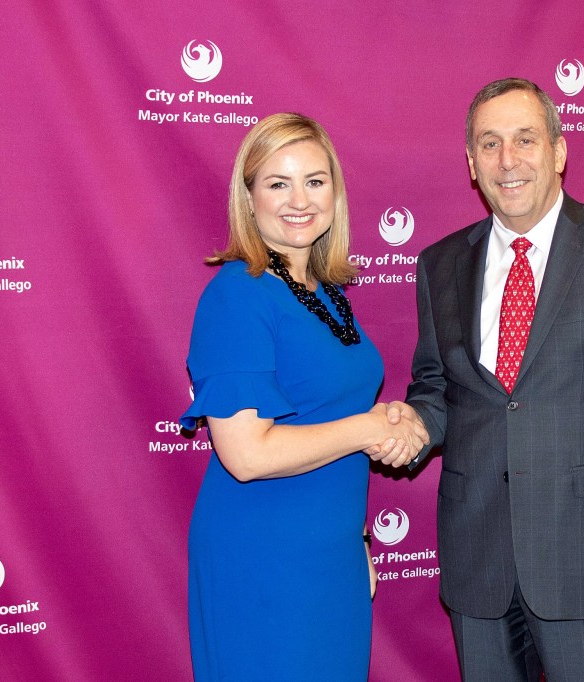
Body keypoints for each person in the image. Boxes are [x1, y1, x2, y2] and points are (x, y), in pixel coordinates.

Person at [375, 78, 584, 680]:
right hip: (478, 557)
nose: (507, 160)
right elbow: (437, 387)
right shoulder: (438, 263)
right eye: (489, 144)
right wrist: (411, 422)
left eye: (525, 139)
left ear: (560, 150)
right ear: (470, 162)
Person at [179, 112, 428, 681]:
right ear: (248, 198)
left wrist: (357, 537)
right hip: (262, 561)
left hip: (331, 556)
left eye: (315, 181)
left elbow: (329, 415)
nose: (300, 200)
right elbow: (246, 455)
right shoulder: (237, 296)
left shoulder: (326, 293)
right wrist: (370, 429)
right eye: (277, 183)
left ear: (336, 193)